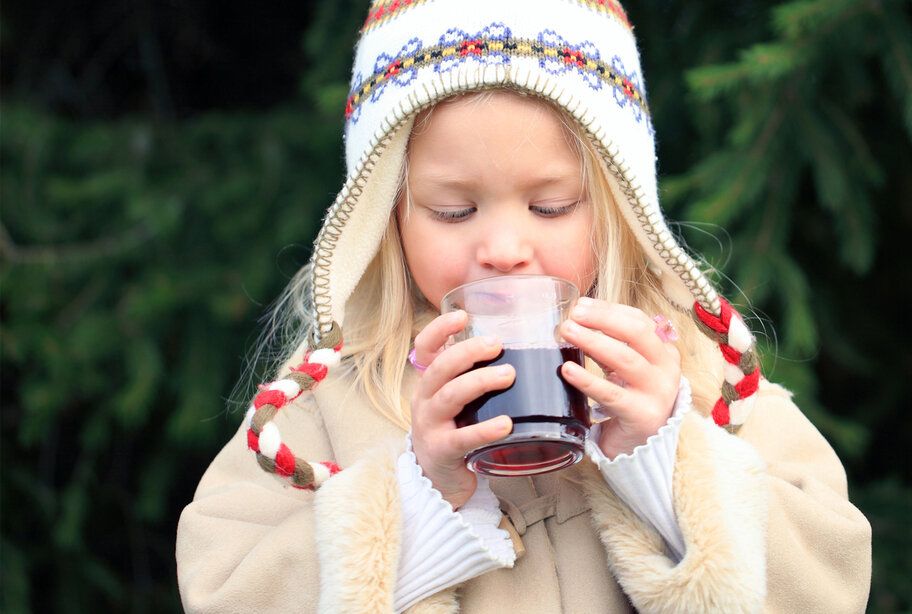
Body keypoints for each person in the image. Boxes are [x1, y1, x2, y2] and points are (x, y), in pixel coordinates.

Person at [176, 1, 872, 612]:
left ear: (618, 209)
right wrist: (420, 495)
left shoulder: (691, 375)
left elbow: (829, 583)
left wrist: (662, 459)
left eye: (551, 206)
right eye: (454, 211)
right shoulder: (333, 399)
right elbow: (225, 588)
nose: (504, 250)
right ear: (387, 219)